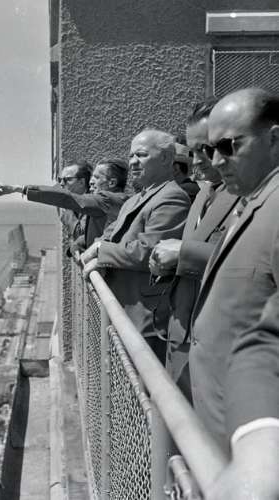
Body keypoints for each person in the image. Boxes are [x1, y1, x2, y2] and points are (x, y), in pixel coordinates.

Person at [188, 88, 279, 500]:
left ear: (274, 139)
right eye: (211, 149)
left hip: (255, 443)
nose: (216, 160)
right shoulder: (252, 202)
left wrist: (259, 434)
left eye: (229, 146)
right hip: (227, 428)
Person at [148, 99, 240, 396]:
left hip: (218, 348)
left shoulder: (249, 195)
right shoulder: (202, 194)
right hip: (182, 332)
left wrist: (183, 253)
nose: (197, 161)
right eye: (192, 151)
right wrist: (164, 263)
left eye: (207, 149)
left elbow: (247, 257)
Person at [81, 129, 191, 362]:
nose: (133, 162)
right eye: (131, 156)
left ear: (165, 158)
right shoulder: (134, 199)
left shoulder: (172, 197)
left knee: (142, 378)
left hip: (145, 317)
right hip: (122, 310)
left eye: (141, 155)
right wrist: (102, 247)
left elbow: (148, 251)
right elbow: (108, 236)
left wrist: (101, 252)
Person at [0, 158, 128, 248]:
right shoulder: (106, 201)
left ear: (112, 183)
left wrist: (18, 189)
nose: (91, 181)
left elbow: (65, 198)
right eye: (92, 177)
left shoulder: (106, 200)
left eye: (97, 177)